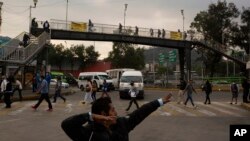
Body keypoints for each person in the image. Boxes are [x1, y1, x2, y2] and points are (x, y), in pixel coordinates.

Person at [61, 93, 172, 141]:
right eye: (113, 110)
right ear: (103, 114)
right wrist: (91, 116)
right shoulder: (89, 132)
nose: (116, 113)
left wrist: (160, 102)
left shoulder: (122, 123)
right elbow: (66, 125)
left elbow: (140, 113)